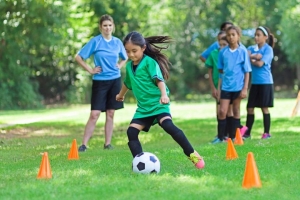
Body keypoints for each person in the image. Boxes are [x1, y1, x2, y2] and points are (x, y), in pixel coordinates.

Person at [116, 31, 205, 169]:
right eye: (128, 51)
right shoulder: (128, 66)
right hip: (144, 108)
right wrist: (121, 95)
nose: (131, 54)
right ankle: (139, 162)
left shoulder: (149, 62)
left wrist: (164, 95)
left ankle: (192, 154)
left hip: (158, 103)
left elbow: (159, 80)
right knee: (131, 132)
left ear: (143, 48)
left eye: (134, 51)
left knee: (168, 126)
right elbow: (127, 83)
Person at [75, 14, 128, 151]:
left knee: (111, 112)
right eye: (105, 25)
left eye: (110, 25)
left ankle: (107, 144)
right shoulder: (96, 41)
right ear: (100, 27)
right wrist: (90, 70)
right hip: (100, 81)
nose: (107, 28)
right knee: (95, 114)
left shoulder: (117, 42)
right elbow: (78, 57)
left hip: (115, 81)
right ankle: (84, 145)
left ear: (113, 27)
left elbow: (125, 57)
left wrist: (120, 65)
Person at [214, 25, 252, 143]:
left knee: (236, 110)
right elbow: (220, 69)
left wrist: (245, 88)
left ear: (238, 36)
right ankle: (221, 137)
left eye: (233, 35)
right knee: (222, 111)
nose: (231, 37)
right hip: (226, 86)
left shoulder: (243, 51)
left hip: (238, 87)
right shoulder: (223, 52)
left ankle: (234, 137)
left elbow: (247, 71)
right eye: (229, 35)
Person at [242, 26, 275, 139]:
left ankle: (266, 133)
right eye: (255, 35)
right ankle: (247, 133)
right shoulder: (252, 48)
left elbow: (260, 64)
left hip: (266, 82)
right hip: (255, 83)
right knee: (250, 107)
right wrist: (254, 56)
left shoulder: (268, 49)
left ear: (265, 37)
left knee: (264, 107)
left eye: (258, 35)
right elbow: (245, 55)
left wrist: (252, 59)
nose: (256, 37)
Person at [205, 31, 232, 143]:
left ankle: (229, 135)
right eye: (220, 44)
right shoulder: (214, 54)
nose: (221, 47)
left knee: (229, 111)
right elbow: (210, 72)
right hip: (218, 86)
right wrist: (213, 88)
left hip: (229, 86)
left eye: (224, 44)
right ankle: (221, 135)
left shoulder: (229, 54)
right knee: (220, 111)